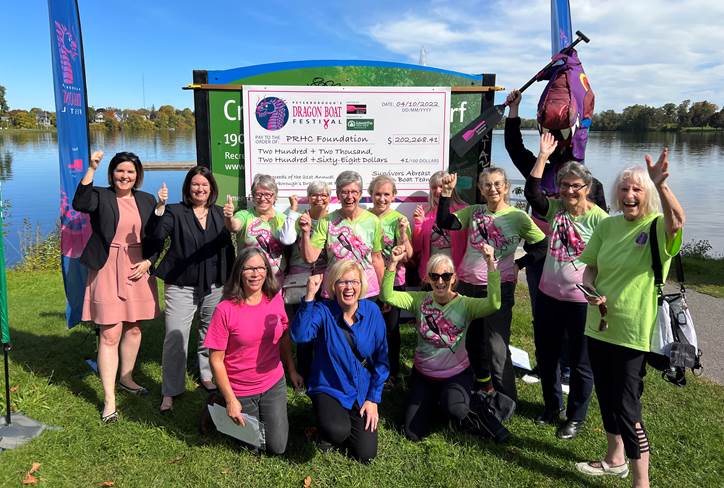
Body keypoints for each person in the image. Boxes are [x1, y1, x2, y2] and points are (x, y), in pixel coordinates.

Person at [575, 149, 684, 487]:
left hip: (632, 333)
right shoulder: (607, 226)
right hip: (599, 326)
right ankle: (614, 459)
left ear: (646, 194)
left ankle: (641, 483)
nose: (630, 195)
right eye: (624, 189)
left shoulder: (655, 227)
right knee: (606, 397)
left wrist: (662, 186)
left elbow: (677, 222)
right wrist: (590, 288)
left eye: (637, 189)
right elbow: (589, 269)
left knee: (627, 408)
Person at [504, 89, 607, 388]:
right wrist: (515, 110)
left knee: (574, 321)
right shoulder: (541, 169)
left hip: (575, 264)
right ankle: (546, 364)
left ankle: (570, 368)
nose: (568, 189)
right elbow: (513, 147)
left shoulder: (590, 182)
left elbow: (600, 230)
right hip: (541, 259)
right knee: (543, 315)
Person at [523, 134, 608, 439]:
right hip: (548, 296)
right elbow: (532, 193)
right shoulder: (556, 209)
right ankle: (551, 407)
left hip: (581, 302)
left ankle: (575, 417)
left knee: (580, 362)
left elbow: (608, 261)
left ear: (587, 188)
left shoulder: (600, 220)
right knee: (546, 355)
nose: (570, 191)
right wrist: (543, 155)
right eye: (565, 185)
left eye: (576, 186)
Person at [437, 169, 546, 402]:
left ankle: (506, 399)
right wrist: (446, 194)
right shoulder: (474, 212)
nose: (492, 189)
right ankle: (483, 384)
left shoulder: (518, 217)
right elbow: (445, 222)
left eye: (497, 184)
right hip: (467, 286)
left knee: (497, 346)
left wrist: (519, 264)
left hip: (498, 287)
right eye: (486, 185)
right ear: (480, 188)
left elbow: (542, 246)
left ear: (506, 187)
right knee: (472, 340)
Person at [72, 150, 162, 423]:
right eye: (120, 171)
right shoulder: (100, 195)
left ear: (138, 176)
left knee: (134, 328)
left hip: (138, 267)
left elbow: (157, 235)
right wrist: (91, 168)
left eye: (131, 172)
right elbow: (80, 202)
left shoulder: (146, 200)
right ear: (112, 173)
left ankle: (127, 378)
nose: (125, 176)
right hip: (108, 266)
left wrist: (149, 260)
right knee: (110, 333)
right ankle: (109, 399)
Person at [381, 244, 500, 440]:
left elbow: (494, 304)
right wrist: (393, 263)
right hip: (424, 375)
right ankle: (433, 402)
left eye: (446, 276)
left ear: (454, 278)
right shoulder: (418, 300)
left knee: (456, 410)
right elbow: (387, 295)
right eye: (435, 276)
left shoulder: (465, 304)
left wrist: (491, 265)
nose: (440, 281)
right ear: (428, 278)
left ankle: (458, 403)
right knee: (412, 432)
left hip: (456, 375)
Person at [150, 166, 235, 413]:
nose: (200, 189)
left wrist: (230, 220)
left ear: (212, 189)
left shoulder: (220, 214)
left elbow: (229, 246)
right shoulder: (175, 212)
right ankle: (170, 390)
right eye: (195, 184)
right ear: (188, 187)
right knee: (175, 336)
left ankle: (207, 375)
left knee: (210, 333)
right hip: (181, 284)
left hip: (215, 285)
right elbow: (156, 235)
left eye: (204, 185)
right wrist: (159, 207)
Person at [204, 248, 303, 455]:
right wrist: (232, 400)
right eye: (249, 268)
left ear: (267, 271)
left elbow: (283, 336)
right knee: (253, 448)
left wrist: (291, 369)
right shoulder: (225, 309)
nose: (255, 274)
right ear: (239, 272)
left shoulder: (275, 299)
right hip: (240, 388)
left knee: (277, 448)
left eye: (260, 268)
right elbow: (216, 360)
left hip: (272, 383)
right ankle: (220, 401)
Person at [291, 260, 388, 463]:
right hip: (329, 386)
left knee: (366, 454)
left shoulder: (372, 312)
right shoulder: (323, 310)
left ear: (361, 285)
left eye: (354, 281)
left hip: (360, 387)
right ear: (333, 286)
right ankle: (326, 428)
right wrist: (309, 296)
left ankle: (338, 422)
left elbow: (381, 359)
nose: (349, 287)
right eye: (342, 282)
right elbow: (300, 336)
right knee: (336, 431)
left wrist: (373, 399)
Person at [301, 171, 384, 299]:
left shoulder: (373, 221)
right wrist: (305, 233)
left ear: (360, 194)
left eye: (354, 192)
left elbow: (377, 258)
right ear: (338, 195)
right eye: (344, 192)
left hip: (366, 291)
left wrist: (383, 291)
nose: (349, 196)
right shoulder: (326, 221)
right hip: (336, 290)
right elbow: (310, 258)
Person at [283, 181, 331, 381]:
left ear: (329, 198)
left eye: (323, 195)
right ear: (308, 198)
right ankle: (303, 371)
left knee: (325, 329)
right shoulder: (299, 219)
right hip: (301, 281)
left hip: (326, 281)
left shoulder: (333, 220)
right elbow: (287, 244)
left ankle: (322, 371)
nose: (319, 198)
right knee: (303, 327)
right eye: (314, 195)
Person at [367, 175, 412, 384]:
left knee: (391, 329)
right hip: (368, 283)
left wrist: (403, 234)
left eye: (386, 194)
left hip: (394, 281)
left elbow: (409, 254)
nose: (382, 198)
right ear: (370, 194)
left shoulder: (399, 220)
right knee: (369, 327)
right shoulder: (364, 217)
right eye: (378, 193)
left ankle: (392, 372)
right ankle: (370, 367)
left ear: (394, 196)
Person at [223, 173, 297, 282]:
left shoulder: (283, 219)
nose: (262, 198)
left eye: (268, 194)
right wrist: (229, 217)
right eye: (258, 194)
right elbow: (234, 226)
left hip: (277, 281)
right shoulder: (245, 215)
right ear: (252, 196)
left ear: (275, 196)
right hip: (249, 281)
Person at [412, 171, 468, 286]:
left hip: (456, 274)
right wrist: (418, 224)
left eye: (441, 186)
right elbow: (417, 248)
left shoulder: (464, 210)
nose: (438, 191)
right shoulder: (424, 211)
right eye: (434, 187)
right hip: (430, 275)